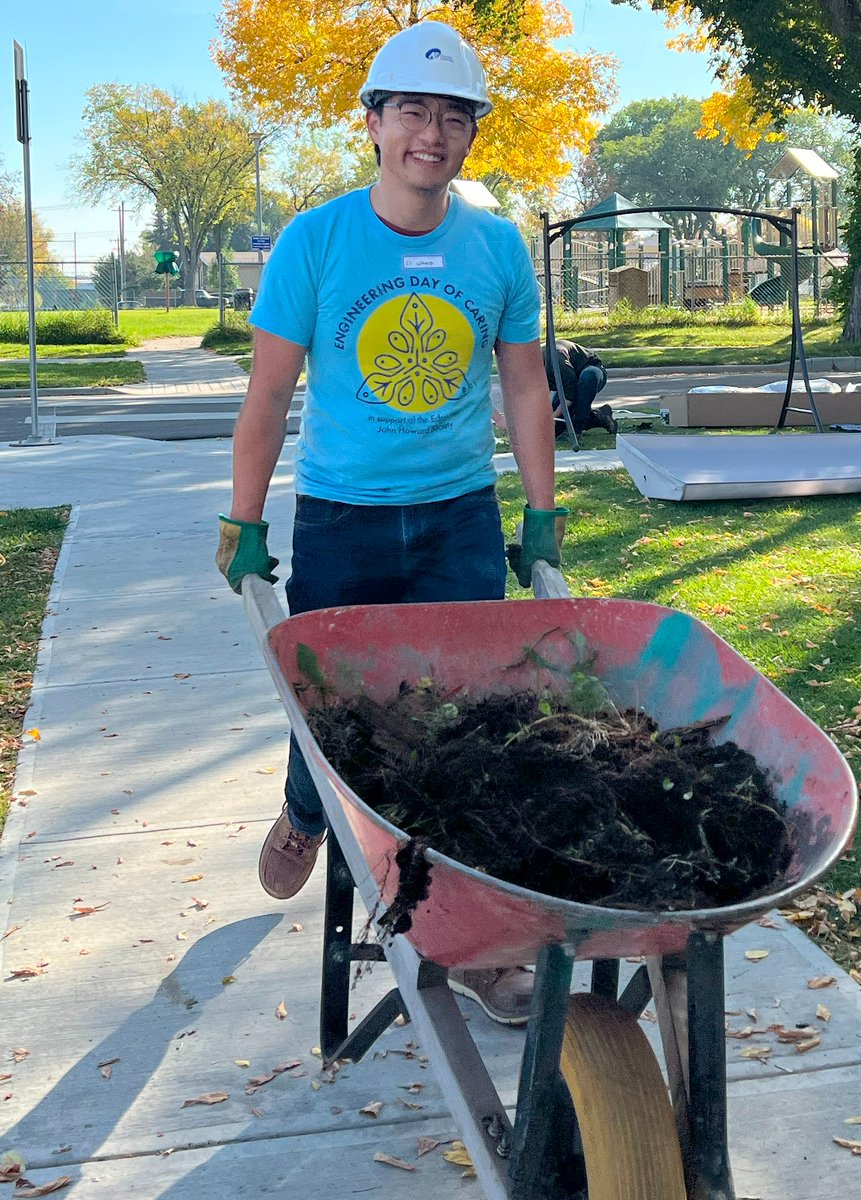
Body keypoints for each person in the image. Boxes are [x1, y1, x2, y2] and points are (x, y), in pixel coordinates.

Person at [215, 21, 567, 1025]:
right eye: (412, 110)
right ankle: (305, 810)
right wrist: (245, 521)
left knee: (467, 725)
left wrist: (540, 513)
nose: (432, 133)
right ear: (372, 122)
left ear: (471, 133)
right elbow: (269, 393)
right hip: (344, 519)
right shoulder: (316, 240)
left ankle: (477, 948)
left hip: (458, 519)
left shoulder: (496, 247)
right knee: (329, 708)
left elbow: (525, 387)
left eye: (453, 115)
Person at [547, 339, 616, 436]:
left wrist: (552, 417)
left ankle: (576, 429)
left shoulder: (556, 358)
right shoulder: (533, 370)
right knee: (557, 427)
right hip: (568, 382)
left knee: (588, 376)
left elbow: (569, 395)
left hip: (591, 371)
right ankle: (600, 416)